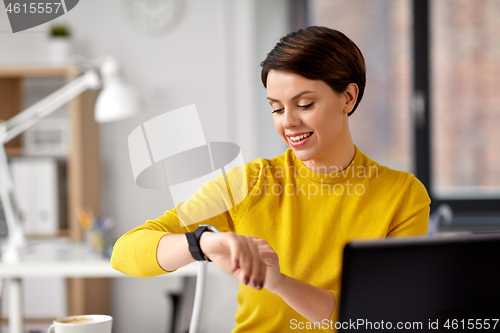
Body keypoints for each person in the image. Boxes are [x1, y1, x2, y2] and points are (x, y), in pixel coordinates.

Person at [111, 26, 430, 332]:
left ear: (348, 97)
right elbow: (125, 253)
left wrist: (278, 282)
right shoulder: (248, 184)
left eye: (304, 104)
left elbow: (380, 319)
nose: (288, 122)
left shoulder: (401, 195)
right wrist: (203, 243)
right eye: (276, 109)